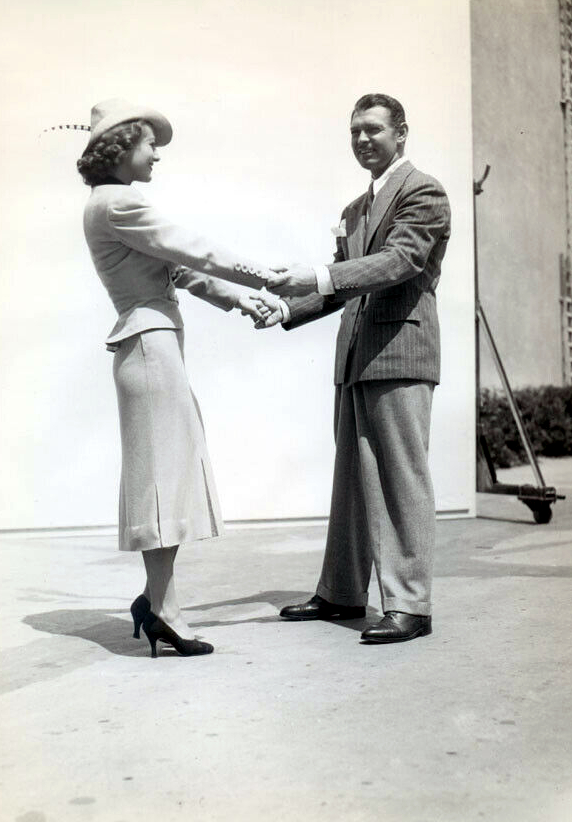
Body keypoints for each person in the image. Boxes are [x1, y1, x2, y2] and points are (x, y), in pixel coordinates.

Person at [77, 99, 276, 657]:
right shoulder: (117, 204)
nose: (156, 154)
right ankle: (165, 609)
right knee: (162, 484)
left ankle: (157, 602)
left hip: (154, 346)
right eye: (149, 144)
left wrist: (243, 300)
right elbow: (195, 249)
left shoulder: (118, 205)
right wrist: (269, 279)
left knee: (169, 479)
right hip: (147, 347)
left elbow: (184, 271)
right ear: (119, 149)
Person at [257, 93, 451, 643]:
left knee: (400, 480)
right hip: (356, 358)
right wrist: (284, 309)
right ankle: (342, 592)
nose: (363, 140)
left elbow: (398, 262)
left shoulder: (424, 192)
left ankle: (411, 606)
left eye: (373, 129)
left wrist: (317, 276)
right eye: (354, 132)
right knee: (351, 481)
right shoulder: (353, 209)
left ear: (402, 132)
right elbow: (346, 281)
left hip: (400, 354)